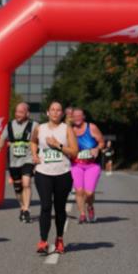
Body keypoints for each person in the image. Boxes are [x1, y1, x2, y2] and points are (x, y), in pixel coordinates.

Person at [30, 100, 78, 255]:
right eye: (53, 109)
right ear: (47, 112)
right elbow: (33, 141)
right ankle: (43, 241)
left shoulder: (67, 129)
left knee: (59, 208)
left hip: (63, 173)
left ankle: (59, 238)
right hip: (43, 172)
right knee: (45, 206)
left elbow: (74, 152)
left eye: (59, 110)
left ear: (62, 113)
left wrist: (58, 145)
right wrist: (34, 154)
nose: (56, 112)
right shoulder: (40, 128)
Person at [0, 101, 36, 223]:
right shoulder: (9, 125)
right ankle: (22, 206)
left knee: (26, 183)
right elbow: (2, 138)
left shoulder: (34, 125)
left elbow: (40, 139)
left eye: (21, 112)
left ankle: (27, 209)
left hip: (28, 159)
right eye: (17, 112)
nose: (18, 114)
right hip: (13, 161)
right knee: (18, 188)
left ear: (27, 113)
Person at [69, 108, 105, 223]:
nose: (77, 118)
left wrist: (97, 148)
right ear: (72, 118)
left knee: (89, 193)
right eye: (75, 116)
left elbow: (102, 142)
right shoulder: (69, 130)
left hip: (92, 165)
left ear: (83, 117)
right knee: (79, 191)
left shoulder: (92, 127)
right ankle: (82, 214)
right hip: (76, 165)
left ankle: (90, 206)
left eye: (79, 116)